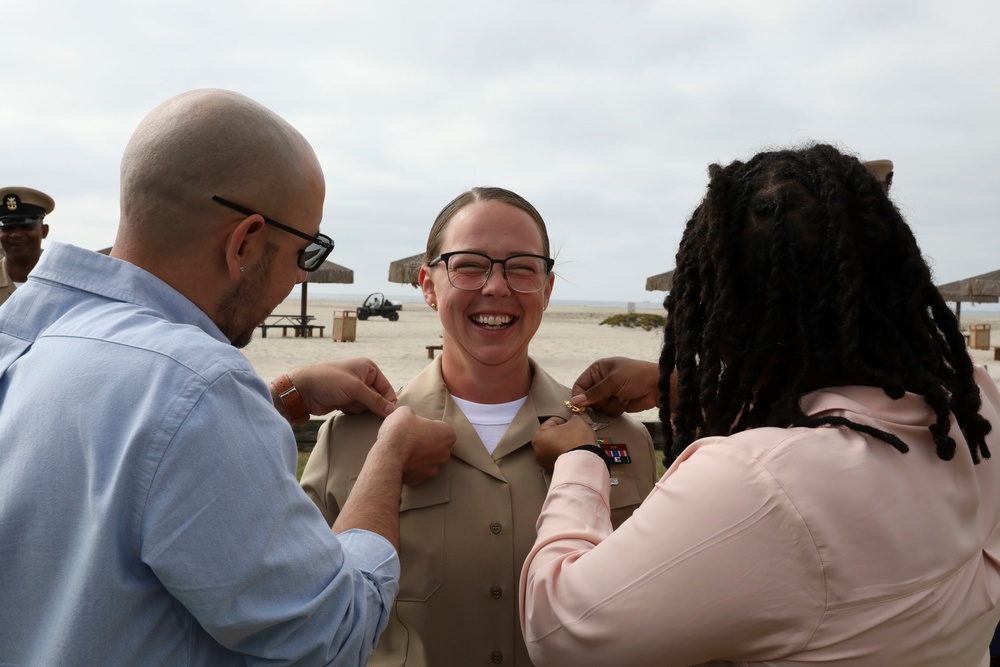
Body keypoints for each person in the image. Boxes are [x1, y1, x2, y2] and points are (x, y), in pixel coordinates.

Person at [0, 89, 455, 666]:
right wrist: (388, 460)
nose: (297, 276)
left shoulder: (28, 337)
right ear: (245, 241)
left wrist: (283, 395)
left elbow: (120, 455)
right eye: (304, 252)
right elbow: (331, 636)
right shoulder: (197, 385)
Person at [520, 144, 1000, 665]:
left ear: (720, 312)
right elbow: (834, 419)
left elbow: (560, 630)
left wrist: (579, 462)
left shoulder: (756, 484)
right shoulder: (970, 402)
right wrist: (680, 388)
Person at [301, 186, 657, 666]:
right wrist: (285, 393)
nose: (496, 287)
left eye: (522, 267)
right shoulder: (352, 438)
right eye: (469, 264)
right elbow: (302, 615)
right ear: (428, 285)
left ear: (547, 289)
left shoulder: (623, 439)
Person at [0, 186, 54, 306]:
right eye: (7, 228)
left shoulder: (62, 282)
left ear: (44, 231)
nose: (16, 234)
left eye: (26, 227)